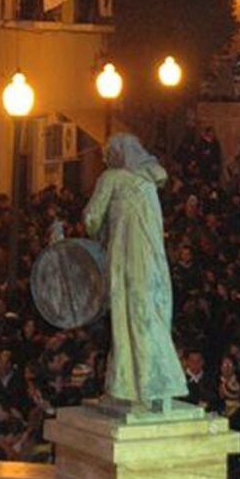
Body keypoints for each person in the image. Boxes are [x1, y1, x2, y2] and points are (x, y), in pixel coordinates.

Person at [83, 134, 188, 410]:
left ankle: (129, 386)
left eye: (108, 155)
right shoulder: (148, 182)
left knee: (127, 320)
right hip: (153, 263)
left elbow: (92, 218)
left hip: (126, 260)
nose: (106, 161)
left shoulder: (112, 179)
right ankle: (157, 384)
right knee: (151, 316)